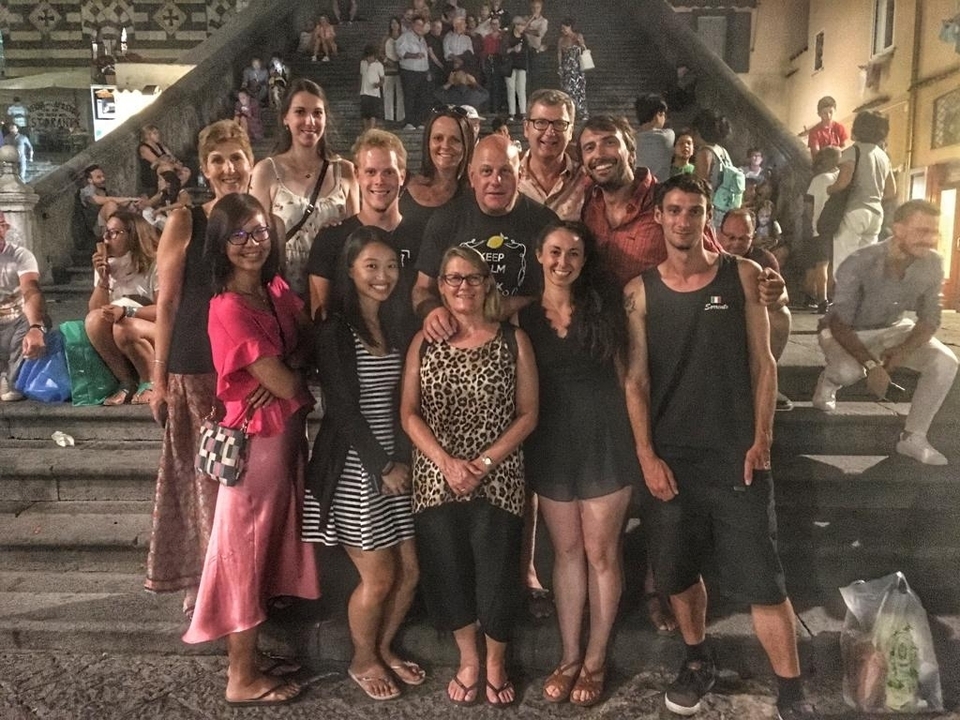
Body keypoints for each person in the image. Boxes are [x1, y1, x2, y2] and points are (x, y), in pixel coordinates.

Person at [622, 173, 817, 720]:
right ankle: (697, 659)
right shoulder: (638, 292)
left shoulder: (745, 275)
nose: (684, 221)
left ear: (709, 217)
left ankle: (792, 693)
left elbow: (765, 362)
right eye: (675, 210)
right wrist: (646, 455)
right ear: (658, 217)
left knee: (764, 579)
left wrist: (763, 439)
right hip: (672, 459)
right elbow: (634, 381)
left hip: (738, 456)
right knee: (679, 575)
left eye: (695, 211)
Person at [183, 193, 319, 707]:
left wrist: (289, 369)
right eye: (238, 235)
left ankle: (252, 659)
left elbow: (307, 343)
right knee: (243, 557)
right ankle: (240, 677)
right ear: (220, 244)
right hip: (256, 449)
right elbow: (285, 382)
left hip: (282, 442)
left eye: (259, 232)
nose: (251, 244)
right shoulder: (226, 307)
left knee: (261, 556)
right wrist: (288, 374)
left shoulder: (275, 288)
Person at [400, 246, 538, 709]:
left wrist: (482, 464)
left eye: (473, 278)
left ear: (487, 284)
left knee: (498, 571)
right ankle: (469, 659)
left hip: (497, 477)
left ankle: (496, 661)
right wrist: (446, 462)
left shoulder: (513, 340)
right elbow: (408, 413)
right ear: (440, 285)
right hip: (437, 476)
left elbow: (528, 414)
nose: (463, 287)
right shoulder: (425, 340)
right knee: (447, 570)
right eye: (453, 279)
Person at [520, 222, 636, 707]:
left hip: (605, 439)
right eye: (553, 252)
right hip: (552, 442)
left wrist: (645, 447)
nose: (562, 262)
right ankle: (568, 656)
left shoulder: (605, 309)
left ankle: (595, 658)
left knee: (602, 552)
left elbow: (631, 379)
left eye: (572, 253)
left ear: (584, 260)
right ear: (539, 255)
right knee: (565, 554)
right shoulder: (524, 317)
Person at [304, 227, 421, 701]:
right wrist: (382, 466)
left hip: (395, 461)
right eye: (371, 266)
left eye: (390, 266)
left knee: (411, 569)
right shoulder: (334, 329)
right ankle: (362, 658)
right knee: (379, 575)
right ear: (350, 270)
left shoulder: (397, 325)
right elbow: (344, 411)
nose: (383, 276)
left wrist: (403, 460)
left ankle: (384, 646)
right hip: (356, 466)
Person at [146, 119, 253, 619]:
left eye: (236, 157)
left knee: (241, 484)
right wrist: (158, 377)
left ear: (249, 161)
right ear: (205, 169)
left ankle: (241, 575)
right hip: (193, 365)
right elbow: (166, 303)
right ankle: (201, 577)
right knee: (198, 480)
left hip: (244, 369)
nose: (229, 168)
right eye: (218, 160)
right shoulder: (185, 219)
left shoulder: (256, 217)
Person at [813, 200, 958, 466]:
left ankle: (913, 436)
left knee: (946, 361)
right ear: (898, 229)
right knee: (848, 373)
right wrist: (871, 365)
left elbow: (930, 319)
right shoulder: (860, 261)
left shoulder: (933, 263)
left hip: (892, 328)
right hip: (843, 331)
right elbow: (839, 322)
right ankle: (829, 380)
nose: (929, 239)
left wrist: (903, 352)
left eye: (934, 232)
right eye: (921, 231)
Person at [413, 134, 557, 342]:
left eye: (505, 171)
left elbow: (562, 293)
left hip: (528, 339)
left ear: (521, 174)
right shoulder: (446, 219)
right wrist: (432, 311)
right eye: (486, 171)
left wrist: (514, 304)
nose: (495, 181)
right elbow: (421, 289)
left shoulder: (545, 223)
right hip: (460, 341)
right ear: (472, 177)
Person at [250, 79, 359, 298]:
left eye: (317, 113)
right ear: (285, 118)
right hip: (283, 293)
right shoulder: (266, 171)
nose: (310, 121)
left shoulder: (345, 171)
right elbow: (256, 237)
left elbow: (356, 240)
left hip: (333, 291)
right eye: (300, 111)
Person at [307, 129, 419, 322]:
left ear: (402, 176)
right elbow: (320, 317)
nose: (379, 180)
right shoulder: (330, 239)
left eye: (389, 172)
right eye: (371, 172)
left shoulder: (422, 236)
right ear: (357, 175)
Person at [717, 208, 794, 411]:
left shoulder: (764, 259)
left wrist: (774, 295)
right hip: (713, 314)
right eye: (730, 237)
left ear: (753, 238)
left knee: (781, 316)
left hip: (749, 318)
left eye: (743, 239)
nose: (735, 244)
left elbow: (783, 294)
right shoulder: (707, 252)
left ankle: (765, 380)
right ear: (719, 232)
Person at [86, 210, 159, 406]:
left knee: (124, 327)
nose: (107, 238)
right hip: (119, 328)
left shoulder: (155, 263)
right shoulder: (107, 265)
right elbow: (95, 311)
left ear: (132, 234)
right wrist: (103, 279)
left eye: (114, 233)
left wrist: (128, 311)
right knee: (94, 320)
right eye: (106, 233)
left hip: (154, 328)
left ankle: (150, 381)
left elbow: (165, 310)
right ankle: (126, 380)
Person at [825, 110, 896, 276]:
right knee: (867, 261)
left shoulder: (852, 151)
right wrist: (874, 195)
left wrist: (829, 189)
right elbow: (892, 190)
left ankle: (844, 299)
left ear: (858, 129)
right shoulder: (883, 156)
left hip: (854, 211)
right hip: (876, 214)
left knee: (844, 261)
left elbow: (843, 182)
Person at [398, 105, 474, 245]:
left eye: (455, 140)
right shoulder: (401, 187)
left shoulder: (474, 199)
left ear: (466, 146)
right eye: (438, 138)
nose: (445, 146)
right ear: (428, 143)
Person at [519, 88, 587, 221]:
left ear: (571, 131)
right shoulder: (509, 178)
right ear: (526, 128)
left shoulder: (586, 180)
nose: (550, 132)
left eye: (559, 124)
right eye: (541, 123)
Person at [0, 211, 47, 402]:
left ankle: (12, 378)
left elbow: (31, 290)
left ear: (5, 228)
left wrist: (36, 327)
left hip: (16, 320)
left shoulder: (20, 256)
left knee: (29, 320)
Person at [802, 146, 842, 313]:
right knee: (832, 264)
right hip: (839, 226)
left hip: (819, 227)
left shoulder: (818, 179)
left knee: (819, 265)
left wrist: (811, 223)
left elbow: (808, 205)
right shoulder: (842, 178)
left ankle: (820, 299)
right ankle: (831, 298)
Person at [692, 108, 738, 229]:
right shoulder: (723, 151)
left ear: (698, 131)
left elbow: (702, 186)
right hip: (726, 208)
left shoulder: (704, 153)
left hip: (712, 211)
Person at [79, 164, 141, 236]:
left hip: (107, 221)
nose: (103, 179)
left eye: (103, 176)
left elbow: (121, 202)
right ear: (90, 180)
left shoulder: (103, 189)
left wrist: (132, 202)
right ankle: (113, 234)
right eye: (98, 177)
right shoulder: (87, 193)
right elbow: (105, 200)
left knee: (131, 205)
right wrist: (129, 198)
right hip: (97, 227)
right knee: (111, 204)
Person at [396, 17, 431, 129]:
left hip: (422, 71)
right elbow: (400, 52)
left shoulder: (422, 39)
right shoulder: (405, 37)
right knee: (410, 97)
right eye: (418, 24)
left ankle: (419, 121)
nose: (420, 27)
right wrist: (414, 55)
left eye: (422, 25)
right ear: (412, 25)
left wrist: (428, 71)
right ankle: (409, 122)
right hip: (409, 71)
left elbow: (426, 57)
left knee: (421, 97)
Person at [137, 125, 191, 196]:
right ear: (148, 136)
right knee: (166, 167)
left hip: (169, 169)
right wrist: (177, 167)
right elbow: (158, 162)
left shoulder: (160, 145)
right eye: (155, 133)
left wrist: (177, 162)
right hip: (152, 174)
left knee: (186, 172)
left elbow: (171, 156)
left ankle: (174, 191)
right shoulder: (143, 148)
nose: (158, 135)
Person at [634, 93, 674, 182]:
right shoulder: (668, 136)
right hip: (661, 190)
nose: (665, 118)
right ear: (657, 115)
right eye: (663, 114)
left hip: (638, 190)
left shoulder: (631, 139)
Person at [557, 18, 587, 121]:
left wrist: (580, 43)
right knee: (568, 91)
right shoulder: (561, 40)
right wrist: (560, 66)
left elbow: (584, 49)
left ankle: (582, 113)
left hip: (577, 67)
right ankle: (570, 113)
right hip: (567, 68)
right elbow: (559, 53)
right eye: (562, 28)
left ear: (570, 27)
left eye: (564, 28)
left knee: (579, 90)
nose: (563, 30)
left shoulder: (578, 36)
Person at [503, 16, 531, 121]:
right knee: (511, 89)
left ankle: (523, 112)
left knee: (521, 89)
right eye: (520, 25)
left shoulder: (524, 37)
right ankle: (512, 113)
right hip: (510, 65)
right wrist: (513, 49)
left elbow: (527, 50)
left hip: (521, 65)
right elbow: (503, 50)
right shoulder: (508, 36)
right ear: (516, 25)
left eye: (523, 25)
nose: (522, 27)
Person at [520, 0, 549, 92]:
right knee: (524, 76)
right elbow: (519, 29)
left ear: (541, 8)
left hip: (535, 50)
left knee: (535, 75)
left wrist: (525, 30)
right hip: (524, 50)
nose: (535, 10)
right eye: (533, 7)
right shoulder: (526, 19)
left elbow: (539, 33)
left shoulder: (543, 21)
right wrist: (531, 19)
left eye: (537, 7)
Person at [383, 17, 407, 125]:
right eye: (392, 23)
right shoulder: (386, 38)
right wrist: (387, 61)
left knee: (400, 94)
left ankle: (400, 118)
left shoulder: (403, 38)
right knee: (388, 93)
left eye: (396, 23)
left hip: (401, 68)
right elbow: (380, 52)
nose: (394, 25)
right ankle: (389, 118)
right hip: (388, 68)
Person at [360, 44, 385, 131]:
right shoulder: (363, 63)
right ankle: (366, 130)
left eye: (371, 56)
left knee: (373, 113)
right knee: (365, 114)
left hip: (374, 94)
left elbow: (382, 79)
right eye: (368, 56)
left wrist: (378, 84)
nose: (370, 58)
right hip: (364, 92)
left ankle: (371, 129)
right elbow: (361, 75)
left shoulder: (379, 65)